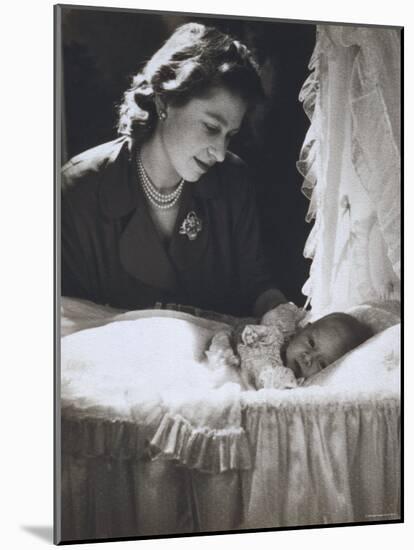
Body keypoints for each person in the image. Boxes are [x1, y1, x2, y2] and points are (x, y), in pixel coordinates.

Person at [61, 22, 287, 317]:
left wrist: (281, 312)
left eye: (229, 135)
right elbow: (63, 322)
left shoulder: (233, 180)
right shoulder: (75, 191)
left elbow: (255, 284)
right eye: (210, 127)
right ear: (164, 100)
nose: (219, 153)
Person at [206, 305, 373, 388]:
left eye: (321, 364)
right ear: (303, 329)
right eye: (311, 343)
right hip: (233, 360)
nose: (308, 358)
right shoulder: (275, 338)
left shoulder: (298, 386)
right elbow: (244, 331)